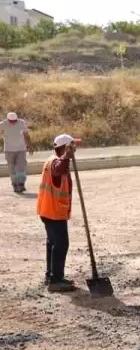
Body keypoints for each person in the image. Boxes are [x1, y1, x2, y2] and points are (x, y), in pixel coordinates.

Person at [37, 134, 77, 292]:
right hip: (54, 212)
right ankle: (56, 280)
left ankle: (51, 276)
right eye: (71, 147)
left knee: (53, 244)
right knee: (61, 244)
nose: (75, 151)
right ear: (64, 148)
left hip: (49, 210)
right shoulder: (55, 162)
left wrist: (66, 158)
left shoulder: (52, 159)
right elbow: (57, 169)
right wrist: (67, 156)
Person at [4, 112, 32, 193]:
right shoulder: (3, 124)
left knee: (21, 167)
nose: (13, 122)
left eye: (14, 121)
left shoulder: (21, 123)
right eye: (11, 121)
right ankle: (15, 185)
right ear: (8, 119)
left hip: (21, 149)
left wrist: (30, 146)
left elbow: (26, 135)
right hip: (9, 150)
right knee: (11, 168)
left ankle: (21, 184)